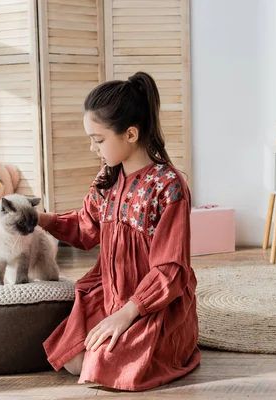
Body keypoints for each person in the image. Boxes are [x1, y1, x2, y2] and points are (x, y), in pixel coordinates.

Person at [37, 71, 201, 391]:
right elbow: (86, 230)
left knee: (98, 366)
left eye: (98, 140)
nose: (92, 148)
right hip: (110, 294)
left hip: (153, 305)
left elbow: (170, 270)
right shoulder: (107, 180)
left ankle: (166, 344)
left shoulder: (169, 187)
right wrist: (42, 220)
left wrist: (127, 314)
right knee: (71, 359)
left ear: (130, 134)